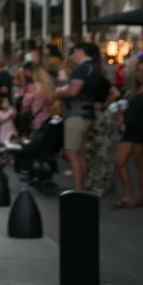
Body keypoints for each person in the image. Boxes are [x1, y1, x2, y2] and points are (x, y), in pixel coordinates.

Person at [113, 57, 143, 209]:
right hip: (130, 128)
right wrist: (121, 116)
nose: (140, 73)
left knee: (139, 164)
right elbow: (126, 109)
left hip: (142, 129)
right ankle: (127, 195)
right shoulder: (132, 91)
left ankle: (140, 197)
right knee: (120, 161)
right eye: (138, 70)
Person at [53, 43, 98, 191]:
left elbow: (73, 91)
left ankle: (78, 188)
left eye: (75, 52)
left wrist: (59, 93)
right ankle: (82, 186)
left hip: (76, 113)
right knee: (80, 152)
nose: (73, 55)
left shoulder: (82, 68)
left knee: (72, 152)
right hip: (88, 112)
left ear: (81, 52)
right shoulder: (94, 68)